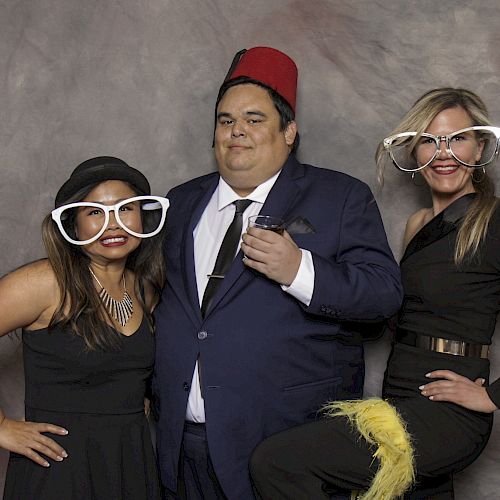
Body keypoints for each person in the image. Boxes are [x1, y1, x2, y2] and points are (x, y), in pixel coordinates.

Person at [153, 46, 403, 499]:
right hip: (180, 445)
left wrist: (299, 270)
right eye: (226, 121)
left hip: (281, 446)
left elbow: (383, 296)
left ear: (289, 132)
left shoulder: (340, 196)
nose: (237, 132)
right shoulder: (182, 200)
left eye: (254, 119)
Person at [250, 88, 500, 500]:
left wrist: (491, 395)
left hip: (448, 415)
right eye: (428, 140)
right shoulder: (417, 223)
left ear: (479, 147)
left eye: (457, 138)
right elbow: (384, 310)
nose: (443, 153)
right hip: (400, 393)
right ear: (414, 152)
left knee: (278, 462)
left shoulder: (491, 219)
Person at [0, 156, 169, 499]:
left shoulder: (146, 290)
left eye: (125, 208)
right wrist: (1, 428)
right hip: (60, 470)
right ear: (73, 226)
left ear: (142, 216)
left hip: (130, 463)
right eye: (94, 212)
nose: (113, 223)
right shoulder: (45, 283)